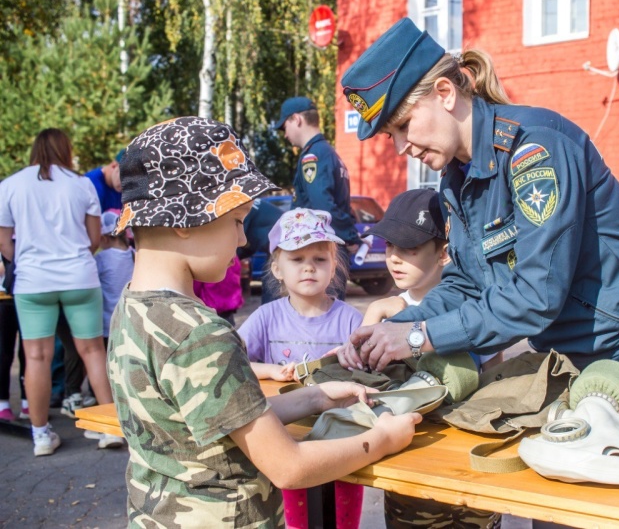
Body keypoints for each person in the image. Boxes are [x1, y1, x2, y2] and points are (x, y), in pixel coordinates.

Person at [338, 18, 619, 408]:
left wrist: (418, 336)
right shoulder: (456, 178)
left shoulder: (534, 150)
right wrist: (389, 332)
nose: (400, 147)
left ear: (445, 92)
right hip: (573, 362)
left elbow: (536, 295)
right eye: (390, 136)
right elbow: (467, 283)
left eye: (403, 125)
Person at [108, 116, 419, 527]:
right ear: (185, 220)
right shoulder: (199, 334)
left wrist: (315, 397)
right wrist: (381, 440)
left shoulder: (131, 307)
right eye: (237, 221)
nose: (241, 240)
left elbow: (219, 418)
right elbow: (289, 467)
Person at [358, 188, 503, 529]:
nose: (393, 257)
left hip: (469, 469)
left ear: (445, 253)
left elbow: (495, 380)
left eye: (408, 248)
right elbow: (362, 385)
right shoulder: (382, 312)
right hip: (412, 468)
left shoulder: (474, 313)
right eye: (388, 245)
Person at [239, 207, 365, 529]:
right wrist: (268, 370)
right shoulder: (265, 318)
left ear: (334, 265)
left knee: (343, 519)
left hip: (342, 439)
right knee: (296, 521)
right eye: (297, 259)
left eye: (319, 259)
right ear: (277, 268)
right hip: (286, 440)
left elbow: (372, 372)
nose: (309, 267)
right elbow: (230, 366)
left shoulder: (351, 320)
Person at [0, 128, 123, 455]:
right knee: (93, 352)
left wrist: (28, 261)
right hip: (79, 278)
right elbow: (94, 239)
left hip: (33, 282)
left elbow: (4, 244)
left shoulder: (10, 185)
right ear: (66, 150)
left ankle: (41, 435)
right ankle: (110, 428)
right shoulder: (82, 185)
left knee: (36, 357)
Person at [277, 96, 361, 300]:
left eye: (284, 126)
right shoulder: (330, 153)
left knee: (318, 317)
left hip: (316, 250)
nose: (285, 135)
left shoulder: (312, 156)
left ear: (296, 119)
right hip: (326, 249)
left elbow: (322, 206)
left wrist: (349, 237)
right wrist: (350, 235)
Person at [94, 210, 135, 346]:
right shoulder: (134, 254)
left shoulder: (102, 259)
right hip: (130, 322)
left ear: (104, 239)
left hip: (108, 324)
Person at [235, 196, 284, 304]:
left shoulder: (240, 208)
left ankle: (272, 318)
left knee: (272, 289)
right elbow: (248, 244)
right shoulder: (245, 202)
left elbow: (236, 241)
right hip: (279, 246)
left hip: (282, 247)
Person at [0, 255, 28, 421]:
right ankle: (2, 402)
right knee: (4, 352)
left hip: (27, 293)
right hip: (3, 299)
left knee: (29, 353)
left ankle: (28, 401)